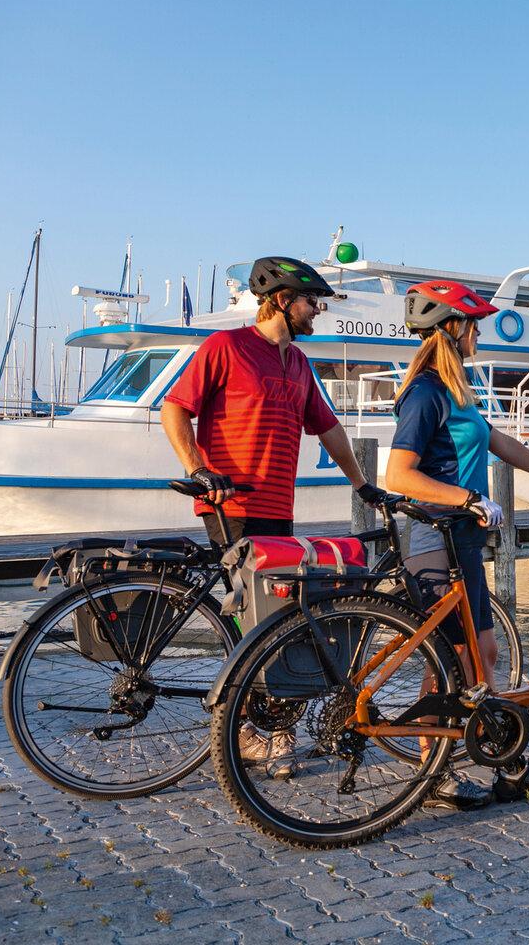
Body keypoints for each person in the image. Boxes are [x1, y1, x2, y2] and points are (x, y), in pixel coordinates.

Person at [161, 255, 384, 773]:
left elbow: (328, 428)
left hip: (278, 508)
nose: (318, 311)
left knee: (279, 618)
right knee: (250, 620)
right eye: (312, 301)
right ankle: (242, 730)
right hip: (231, 503)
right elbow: (176, 408)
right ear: (282, 300)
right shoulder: (227, 347)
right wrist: (198, 469)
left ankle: (266, 725)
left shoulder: (300, 363)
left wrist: (363, 486)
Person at [384, 279, 529, 811]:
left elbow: (498, 442)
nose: (478, 333)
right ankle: (436, 776)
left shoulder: (457, 391)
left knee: (485, 653)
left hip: (462, 540)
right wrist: (466, 497)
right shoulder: (426, 392)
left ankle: (506, 766)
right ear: (451, 329)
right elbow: (398, 474)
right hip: (434, 538)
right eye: (472, 325)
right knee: (451, 662)